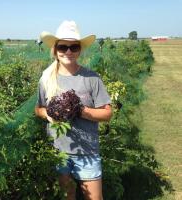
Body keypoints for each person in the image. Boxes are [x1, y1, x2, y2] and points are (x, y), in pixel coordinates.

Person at [35, 20, 112, 200]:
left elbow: (107, 113)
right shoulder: (46, 79)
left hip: (87, 151)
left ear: (79, 50)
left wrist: (80, 111)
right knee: (67, 196)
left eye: (74, 47)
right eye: (63, 47)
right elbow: (38, 109)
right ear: (55, 50)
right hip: (58, 151)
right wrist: (50, 115)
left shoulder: (91, 78)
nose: (68, 52)